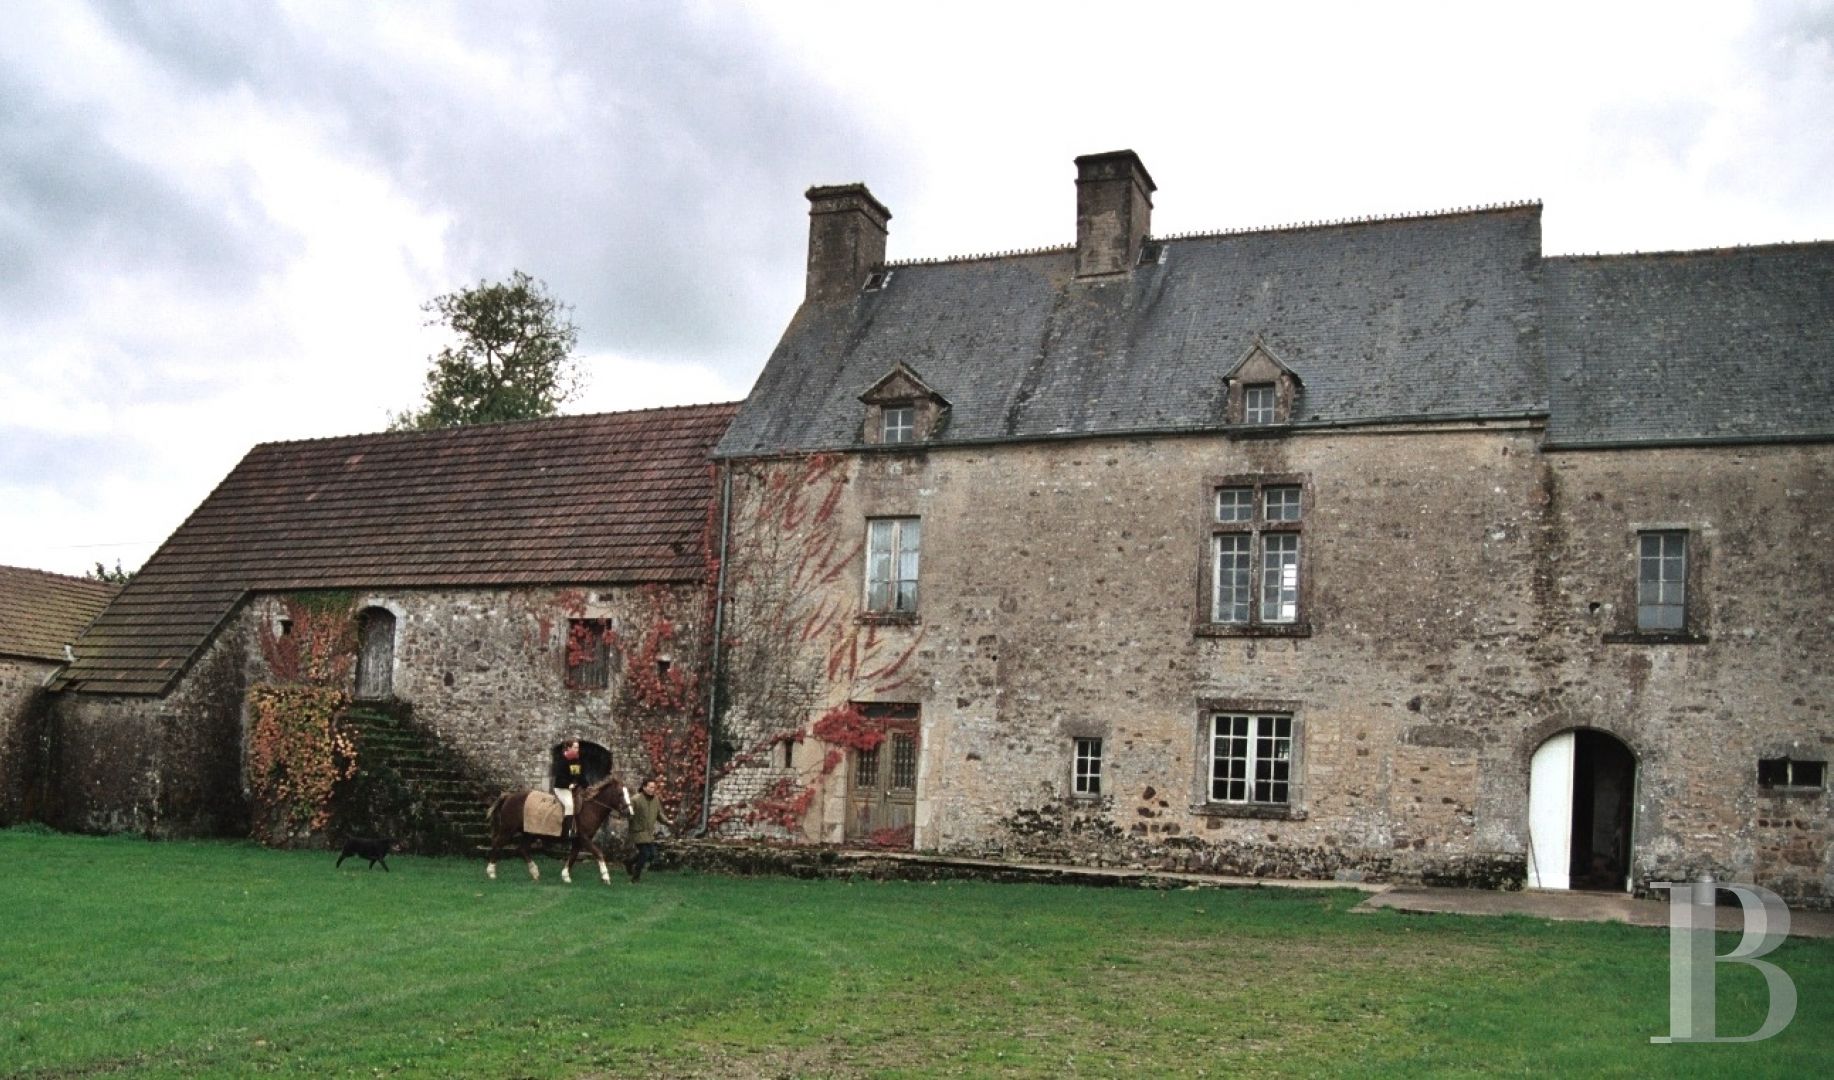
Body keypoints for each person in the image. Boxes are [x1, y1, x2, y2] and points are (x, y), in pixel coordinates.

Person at [625, 775, 673, 883]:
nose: (652, 789)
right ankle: (635, 878)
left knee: (651, 855)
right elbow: (629, 814)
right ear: (644, 787)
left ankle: (629, 862)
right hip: (638, 831)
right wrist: (629, 815)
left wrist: (667, 821)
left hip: (649, 832)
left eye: (654, 787)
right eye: (650, 787)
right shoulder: (635, 799)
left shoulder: (655, 799)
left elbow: (659, 813)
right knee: (645, 854)